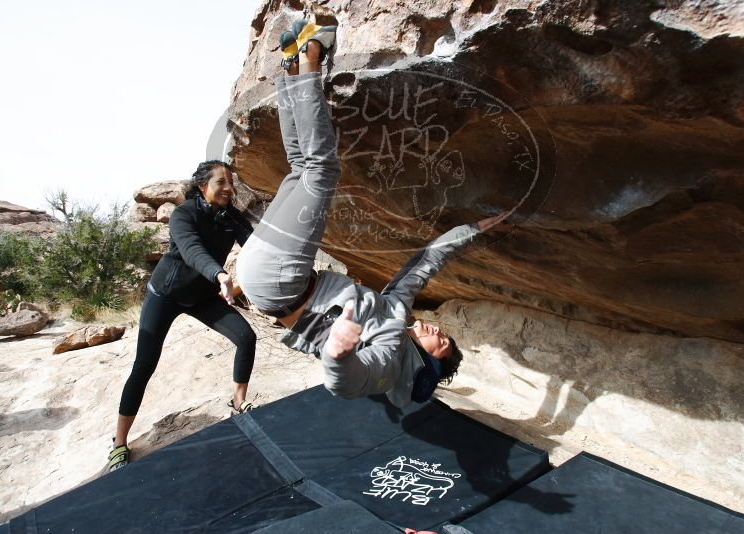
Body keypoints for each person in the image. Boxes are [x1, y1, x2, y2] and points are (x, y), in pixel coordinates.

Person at [236, 22, 512, 409]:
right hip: (271, 278)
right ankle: (291, 67)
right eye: (447, 335)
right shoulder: (395, 312)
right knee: (301, 166)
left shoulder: (393, 354)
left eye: (442, 343)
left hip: (280, 283)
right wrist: (473, 229)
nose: (440, 332)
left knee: (322, 169)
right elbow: (425, 264)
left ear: (430, 360)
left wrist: (339, 354)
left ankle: (312, 52)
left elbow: (351, 382)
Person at [109, 160, 257, 472]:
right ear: (203, 187)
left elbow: (255, 246)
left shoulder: (230, 216)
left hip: (201, 296)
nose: (229, 188)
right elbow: (191, 251)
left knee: (246, 337)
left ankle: (238, 402)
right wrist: (219, 275)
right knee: (144, 365)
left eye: (232, 182)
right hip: (166, 294)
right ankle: (120, 443)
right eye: (221, 182)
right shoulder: (184, 214)